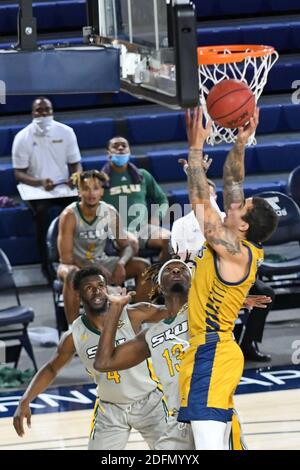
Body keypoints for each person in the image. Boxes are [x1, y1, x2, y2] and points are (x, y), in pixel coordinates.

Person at [177, 107, 278, 450]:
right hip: (211, 349)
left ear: (244, 225)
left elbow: (199, 202)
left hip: (212, 351)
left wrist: (195, 150)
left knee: (207, 445)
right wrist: (240, 142)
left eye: (240, 206)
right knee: (218, 439)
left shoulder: (234, 249)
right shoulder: (241, 244)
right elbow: (233, 181)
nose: (233, 202)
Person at [93, 258, 269, 450]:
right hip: (177, 422)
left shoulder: (208, 314)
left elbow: (225, 284)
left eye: (182, 269)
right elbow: (103, 362)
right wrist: (115, 310)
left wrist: (238, 301)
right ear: (159, 286)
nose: (176, 271)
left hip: (212, 410)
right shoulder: (151, 334)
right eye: (169, 269)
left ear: (193, 282)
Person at [13, 268, 168, 450]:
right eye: (89, 287)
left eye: (101, 286)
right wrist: (25, 399)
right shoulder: (74, 335)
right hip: (110, 409)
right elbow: (51, 368)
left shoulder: (132, 314)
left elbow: (173, 311)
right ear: (78, 295)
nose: (97, 291)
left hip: (150, 402)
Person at [171, 158, 275, 362]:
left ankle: (249, 343)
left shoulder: (224, 224)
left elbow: (207, 199)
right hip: (195, 277)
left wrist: (195, 167)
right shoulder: (184, 223)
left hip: (212, 342)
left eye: (209, 191)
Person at [57, 169, 150, 324]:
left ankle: (138, 321)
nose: (91, 193)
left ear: (101, 191)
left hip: (101, 261)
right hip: (75, 265)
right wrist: (96, 270)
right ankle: (73, 331)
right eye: (86, 188)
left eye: (95, 188)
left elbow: (126, 245)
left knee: (144, 266)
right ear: (79, 192)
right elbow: (66, 257)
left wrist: (121, 263)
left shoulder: (109, 211)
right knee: (71, 273)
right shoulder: (69, 215)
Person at [12, 97, 82, 278]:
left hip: (63, 187)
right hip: (37, 189)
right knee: (42, 214)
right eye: (39, 110)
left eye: (47, 110)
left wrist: (75, 177)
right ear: (32, 113)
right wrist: (40, 182)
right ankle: (47, 266)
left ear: (52, 111)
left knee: (80, 209)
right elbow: (19, 173)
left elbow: (76, 164)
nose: (43, 114)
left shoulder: (66, 132)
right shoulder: (22, 137)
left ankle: (81, 259)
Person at [101, 136, 171, 260]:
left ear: (129, 150)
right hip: (115, 232)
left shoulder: (142, 175)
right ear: (108, 153)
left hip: (142, 229)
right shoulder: (101, 179)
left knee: (170, 240)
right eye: (115, 146)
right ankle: (130, 277)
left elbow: (162, 200)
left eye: (124, 145)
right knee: (131, 244)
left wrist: (156, 216)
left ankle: (158, 274)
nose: (120, 148)